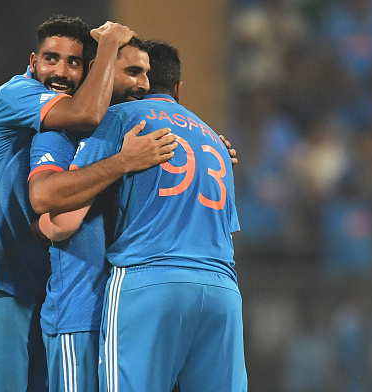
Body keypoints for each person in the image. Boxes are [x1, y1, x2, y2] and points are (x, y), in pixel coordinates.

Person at [0, 15, 178, 392]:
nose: (60, 71)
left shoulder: (67, 125)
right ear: (33, 62)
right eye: (51, 58)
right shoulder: (16, 94)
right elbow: (87, 113)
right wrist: (108, 44)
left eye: (73, 62)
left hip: (32, 286)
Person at [36, 40, 247, 392]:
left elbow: (65, 217)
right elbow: (227, 230)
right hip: (222, 289)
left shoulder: (120, 120)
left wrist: (35, 228)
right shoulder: (215, 141)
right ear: (178, 87)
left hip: (149, 280)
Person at [27, 37, 153, 392]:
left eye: (146, 73)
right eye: (131, 71)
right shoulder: (59, 136)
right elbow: (59, 219)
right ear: (99, 73)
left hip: (125, 319)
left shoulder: (141, 138)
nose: (142, 84)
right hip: (80, 315)